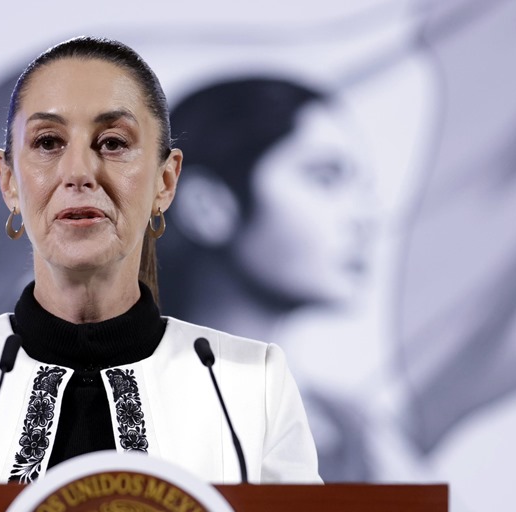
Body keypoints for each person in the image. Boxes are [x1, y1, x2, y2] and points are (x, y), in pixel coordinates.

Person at [0, 37, 320, 485]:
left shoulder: (249, 384)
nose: (78, 172)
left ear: (166, 181)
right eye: (48, 142)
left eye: (113, 142)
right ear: (9, 181)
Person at [158, 78, 374, 481]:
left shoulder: (354, 429)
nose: (364, 216)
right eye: (325, 178)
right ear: (207, 205)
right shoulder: (111, 408)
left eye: (363, 189)